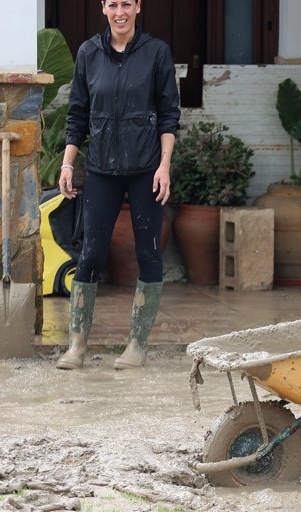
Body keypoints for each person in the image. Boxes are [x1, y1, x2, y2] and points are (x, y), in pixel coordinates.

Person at [55, 0, 180, 371]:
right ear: (103, 9)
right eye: (113, 4)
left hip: (146, 170)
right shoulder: (89, 53)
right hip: (102, 170)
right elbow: (77, 112)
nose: (120, 11)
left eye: (127, 3)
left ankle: (137, 345)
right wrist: (67, 163)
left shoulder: (157, 52)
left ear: (138, 7)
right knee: (91, 253)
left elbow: (169, 113)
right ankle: (77, 345)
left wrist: (164, 166)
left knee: (148, 252)